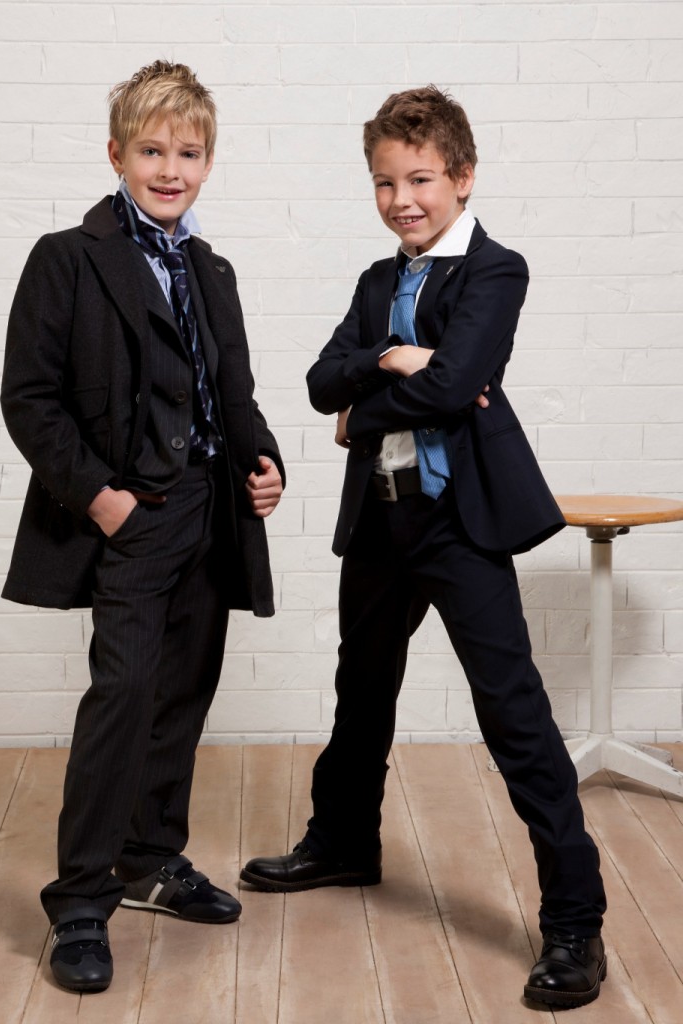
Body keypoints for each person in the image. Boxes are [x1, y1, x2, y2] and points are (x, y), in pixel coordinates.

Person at [240, 85, 606, 1010]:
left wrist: (368, 406)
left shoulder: (495, 271)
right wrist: (385, 362)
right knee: (361, 687)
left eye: (420, 180)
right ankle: (343, 841)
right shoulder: (377, 284)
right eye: (384, 183)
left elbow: (452, 388)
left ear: (463, 177)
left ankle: (576, 920)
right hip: (381, 516)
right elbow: (320, 381)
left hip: (459, 520)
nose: (402, 199)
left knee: (512, 712)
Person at [1, 60, 284, 993]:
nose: (171, 169)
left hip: (210, 511)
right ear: (117, 154)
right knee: (121, 696)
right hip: (131, 515)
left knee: (181, 695)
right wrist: (101, 498)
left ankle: (149, 859)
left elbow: (232, 394)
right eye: (153, 151)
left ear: (208, 162)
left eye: (188, 153)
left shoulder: (212, 269)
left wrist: (264, 462)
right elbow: (30, 398)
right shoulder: (68, 258)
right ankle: (81, 898)